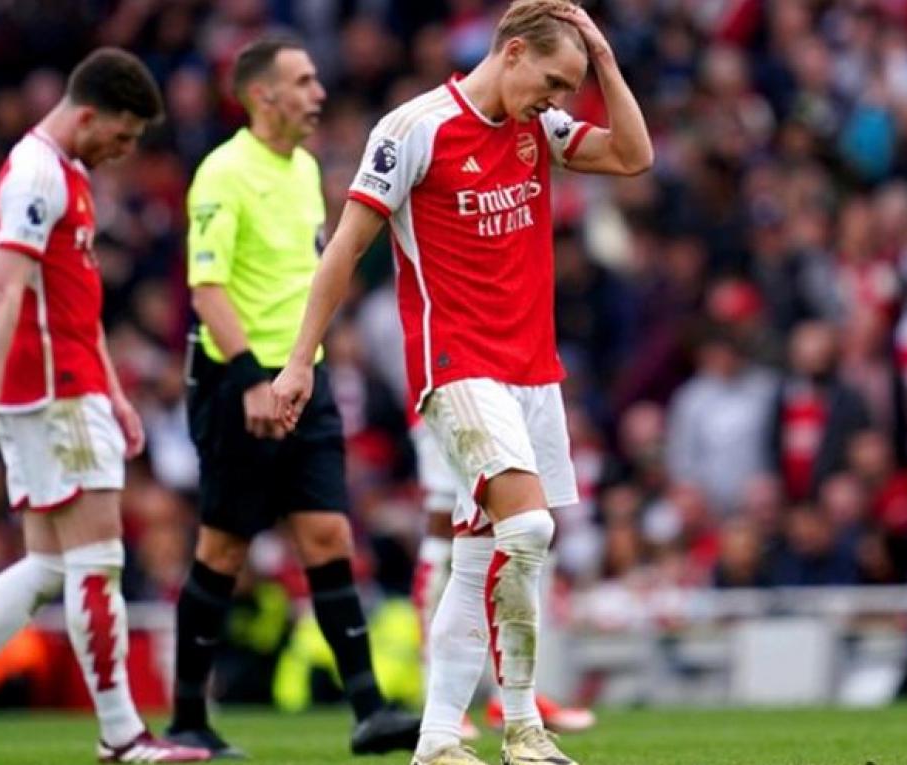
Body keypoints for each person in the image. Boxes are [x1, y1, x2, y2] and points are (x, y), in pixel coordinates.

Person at [272, 2, 652, 764]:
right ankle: (523, 725)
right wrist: (299, 359)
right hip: (457, 368)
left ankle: (439, 739)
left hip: (533, 372)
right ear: (512, 53)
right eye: (552, 81)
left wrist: (605, 62)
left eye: (570, 87)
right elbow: (344, 249)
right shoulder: (414, 130)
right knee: (530, 529)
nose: (557, 99)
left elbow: (632, 155)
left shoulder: (536, 126)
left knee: (478, 556)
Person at [0, 49, 210, 765]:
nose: (125, 150)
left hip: (71, 384)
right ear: (89, 115)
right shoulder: (35, 175)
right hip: (55, 393)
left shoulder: (70, 173)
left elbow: (74, 303)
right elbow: (5, 287)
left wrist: (115, 392)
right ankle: (122, 736)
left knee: (50, 567)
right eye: (122, 135)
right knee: (99, 562)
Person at [167, 35, 420, 758]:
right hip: (238, 380)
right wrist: (251, 377)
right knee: (223, 548)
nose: (319, 93)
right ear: (263, 95)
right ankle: (187, 718)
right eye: (304, 81)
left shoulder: (306, 169)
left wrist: (301, 362)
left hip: (302, 375)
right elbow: (207, 289)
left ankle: (369, 710)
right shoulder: (222, 173)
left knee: (329, 536)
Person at [409, 415, 595, 737]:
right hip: (452, 394)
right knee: (445, 520)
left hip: (524, 391)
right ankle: (440, 703)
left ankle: (514, 698)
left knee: (534, 518)